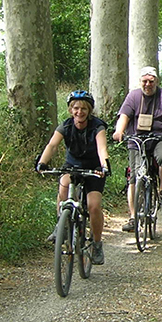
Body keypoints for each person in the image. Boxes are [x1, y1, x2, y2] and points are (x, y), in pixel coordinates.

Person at [36, 90, 111, 265]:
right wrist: (42, 163)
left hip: (94, 168)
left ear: (89, 110)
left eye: (84, 108)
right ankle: (60, 226)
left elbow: (102, 148)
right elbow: (52, 145)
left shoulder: (97, 126)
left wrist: (104, 166)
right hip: (72, 166)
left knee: (93, 206)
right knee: (63, 188)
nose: (80, 112)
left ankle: (97, 244)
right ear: (71, 110)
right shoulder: (66, 126)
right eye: (76, 108)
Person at [113, 66, 162, 232]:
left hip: (159, 137)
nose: (148, 84)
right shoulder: (133, 96)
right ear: (140, 82)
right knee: (134, 177)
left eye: (151, 81)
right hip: (136, 138)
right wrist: (119, 131)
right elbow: (124, 115)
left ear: (156, 81)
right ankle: (133, 217)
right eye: (145, 81)